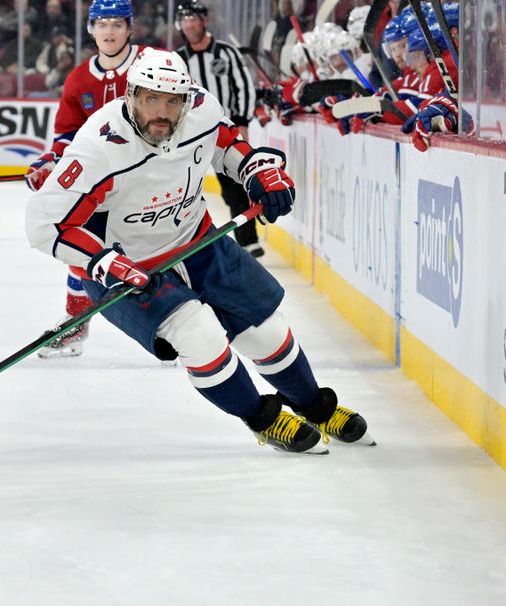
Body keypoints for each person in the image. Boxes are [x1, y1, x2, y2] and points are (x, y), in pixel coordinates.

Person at [25, 49, 373, 454]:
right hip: (130, 270)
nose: (162, 113)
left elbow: (227, 146)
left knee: (266, 332)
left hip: (197, 242)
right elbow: (44, 224)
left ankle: (315, 406)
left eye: (172, 101)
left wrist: (258, 171)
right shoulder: (98, 146)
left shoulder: (202, 110)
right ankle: (263, 419)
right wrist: (103, 261)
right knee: (201, 336)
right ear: (131, 95)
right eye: (151, 99)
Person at [24, 0, 146, 359]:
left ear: (130, 28)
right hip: (101, 186)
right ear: (91, 30)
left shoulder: (149, 64)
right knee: (79, 246)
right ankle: (77, 322)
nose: (109, 31)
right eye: (102, 24)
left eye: (117, 24)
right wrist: (50, 161)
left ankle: (184, 326)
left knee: (159, 255)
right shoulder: (79, 79)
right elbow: (68, 136)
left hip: (150, 180)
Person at [174, 1, 263, 258]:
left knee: (236, 187)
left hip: (226, 133)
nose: (189, 25)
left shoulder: (226, 53)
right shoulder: (179, 58)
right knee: (180, 189)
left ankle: (248, 242)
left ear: (204, 21)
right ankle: (179, 245)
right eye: (184, 20)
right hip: (189, 136)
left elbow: (244, 87)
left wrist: (242, 121)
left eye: (193, 19)